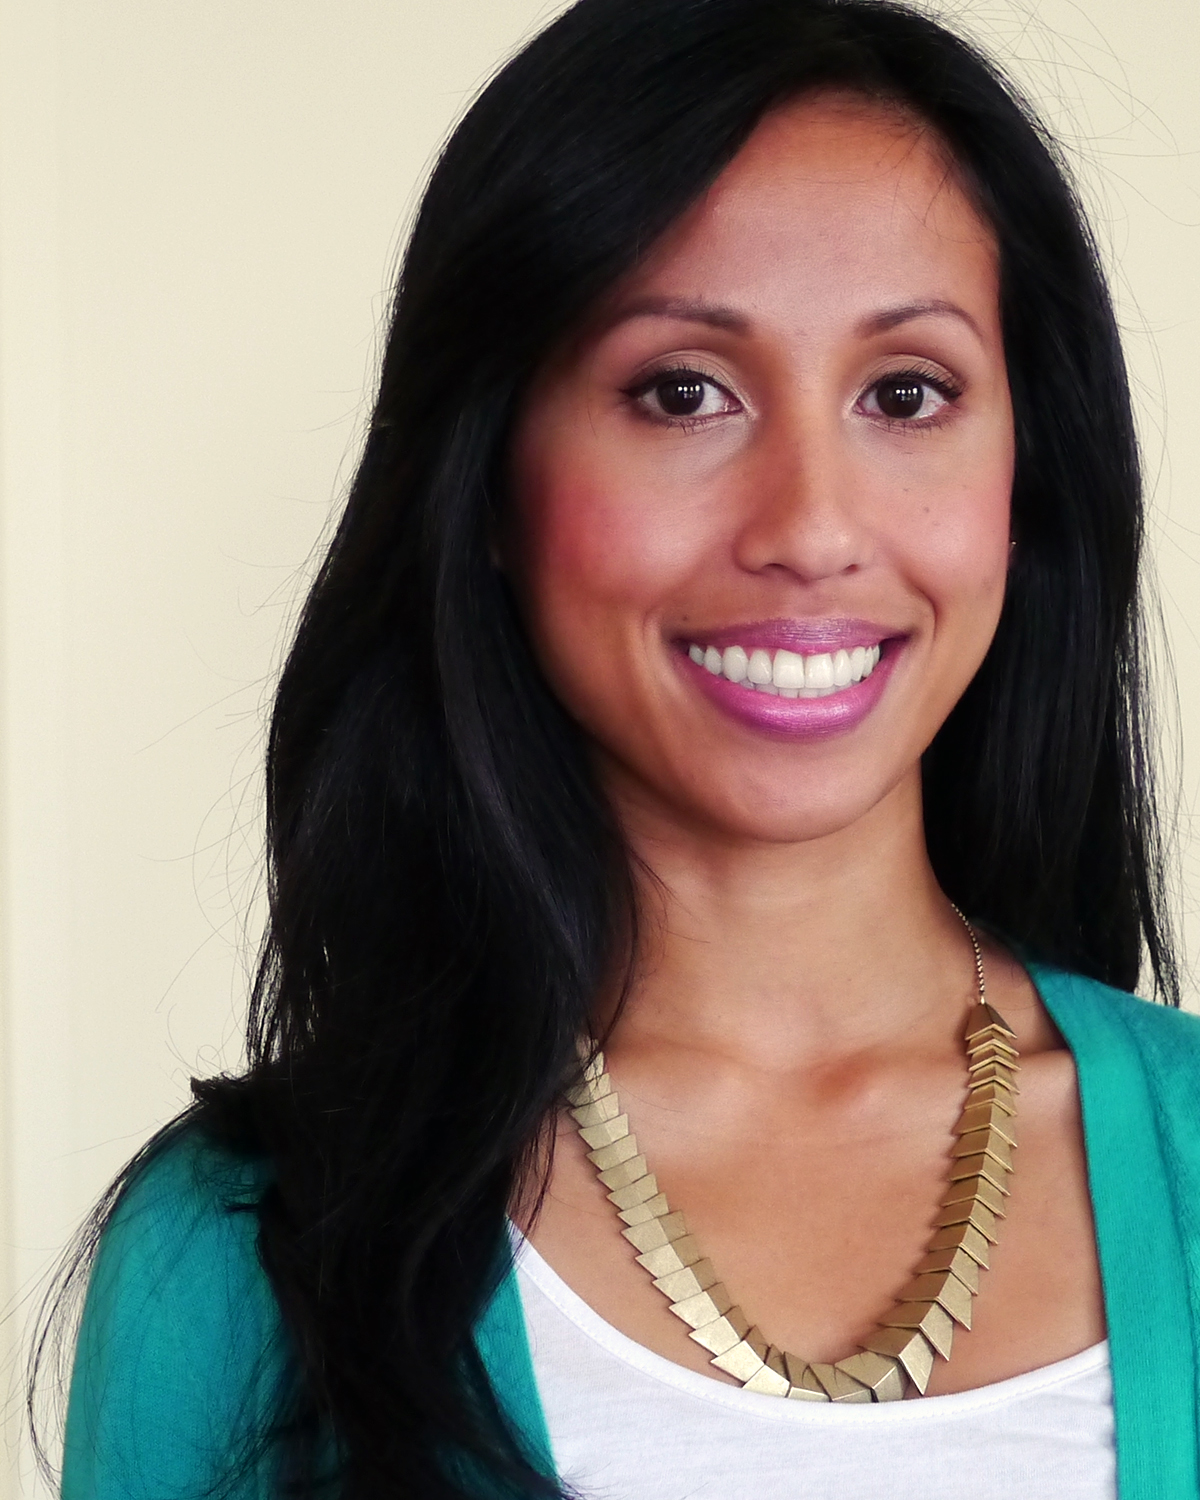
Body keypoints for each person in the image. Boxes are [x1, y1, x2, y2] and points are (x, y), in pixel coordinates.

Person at [53, 0, 1200, 1496]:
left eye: (906, 394)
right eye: (681, 393)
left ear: (1022, 484)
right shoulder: (240, 1247)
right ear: (490, 489)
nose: (809, 527)